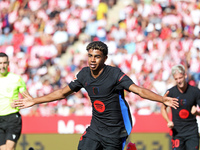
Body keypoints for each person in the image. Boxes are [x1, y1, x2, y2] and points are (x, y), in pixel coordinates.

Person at [14, 41, 178, 150]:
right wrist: (34, 100)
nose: (92, 60)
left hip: (115, 131)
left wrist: (162, 98)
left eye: (97, 56)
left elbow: (139, 90)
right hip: (96, 129)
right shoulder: (84, 74)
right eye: (90, 56)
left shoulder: (114, 74)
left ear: (105, 58)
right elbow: (62, 93)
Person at [161, 64, 200, 150]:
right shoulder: (170, 93)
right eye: (176, 79)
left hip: (192, 132)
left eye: (180, 78)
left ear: (185, 75)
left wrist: (197, 112)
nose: (179, 81)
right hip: (177, 133)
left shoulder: (195, 91)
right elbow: (163, 108)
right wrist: (168, 121)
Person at [0, 52, 32, 150]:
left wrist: (19, 102)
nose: (2, 66)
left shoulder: (16, 79)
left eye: (4, 63)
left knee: (9, 148)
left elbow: (29, 99)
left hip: (12, 117)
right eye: (0, 63)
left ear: (8, 63)